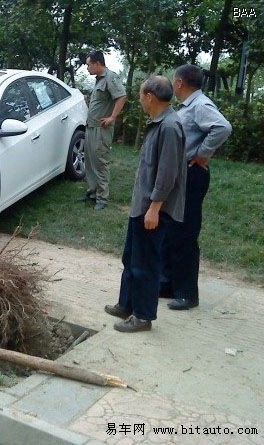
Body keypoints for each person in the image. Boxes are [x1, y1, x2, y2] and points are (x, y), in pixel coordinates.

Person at [105, 76, 186, 332]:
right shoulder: (158, 123)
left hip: (153, 210)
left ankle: (143, 316)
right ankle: (127, 303)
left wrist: (154, 208)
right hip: (141, 205)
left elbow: (167, 174)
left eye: (140, 95)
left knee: (146, 263)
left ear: (149, 96)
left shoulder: (170, 127)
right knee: (131, 257)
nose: (139, 100)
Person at [160, 64, 232, 310]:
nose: (173, 84)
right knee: (171, 230)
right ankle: (168, 283)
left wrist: (202, 153)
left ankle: (187, 293)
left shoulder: (200, 105)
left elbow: (222, 127)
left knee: (185, 233)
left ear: (180, 82)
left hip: (193, 175)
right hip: (181, 176)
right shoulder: (189, 106)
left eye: (174, 80)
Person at [81, 50, 127, 210]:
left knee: (100, 162)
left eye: (88, 64)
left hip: (101, 129)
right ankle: (93, 192)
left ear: (97, 63)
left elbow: (121, 96)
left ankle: (102, 198)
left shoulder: (110, 77)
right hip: (91, 127)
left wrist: (112, 117)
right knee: (90, 161)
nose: (87, 68)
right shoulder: (98, 80)